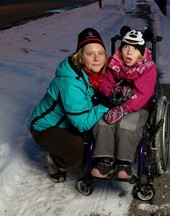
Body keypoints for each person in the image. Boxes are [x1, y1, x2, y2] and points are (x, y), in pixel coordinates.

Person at [28, 28, 109, 183]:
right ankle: (55, 162)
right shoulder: (70, 82)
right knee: (79, 155)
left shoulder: (98, 74)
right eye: (90, 53)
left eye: (100, 53)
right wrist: (106, 104)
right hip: (47, 128)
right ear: (80, 57)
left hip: (71, 120)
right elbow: (82, 124)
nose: (97, 58)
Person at [91, 26, 157, 180]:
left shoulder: (148, 67)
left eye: (134, 49)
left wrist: (125, 108)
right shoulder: (114, 63)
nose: (129, 52)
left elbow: (143, 94)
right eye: (126, 47)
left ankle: (124, 163)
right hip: (115, 103)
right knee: (104, 122)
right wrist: (112, 92)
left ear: (141, 53)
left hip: (138, 107)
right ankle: (105, 161)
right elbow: (105, 82)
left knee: (126, 124)